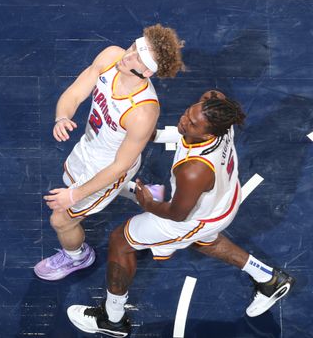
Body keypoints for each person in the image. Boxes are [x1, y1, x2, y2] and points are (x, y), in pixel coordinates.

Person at [67, 91, 295, 337]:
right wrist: (149, 133)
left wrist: (148, 202)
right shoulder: (218, 110)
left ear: (208, 134)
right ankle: (270, 279)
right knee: (203, 240)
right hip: (222, 200)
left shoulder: (193, 171)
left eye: (192, 123)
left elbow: (177, 214)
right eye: (188, 113)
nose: (185, 121)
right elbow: (208, 101)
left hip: (190, 218)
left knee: (120, 241)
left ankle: (112, 320)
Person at [34, 25, 185, 281]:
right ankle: (145, 193)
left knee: (61, 220)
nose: (127, 56)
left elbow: (119, 166)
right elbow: (75, 92)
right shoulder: (111, 57)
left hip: (109, 167)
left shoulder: (142, 112)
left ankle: (77, 256)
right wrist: (62, 117)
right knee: (70, 181)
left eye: (137, 57)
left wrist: (75, 195)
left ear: (147, 71)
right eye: (133, 47)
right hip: (87, 148)